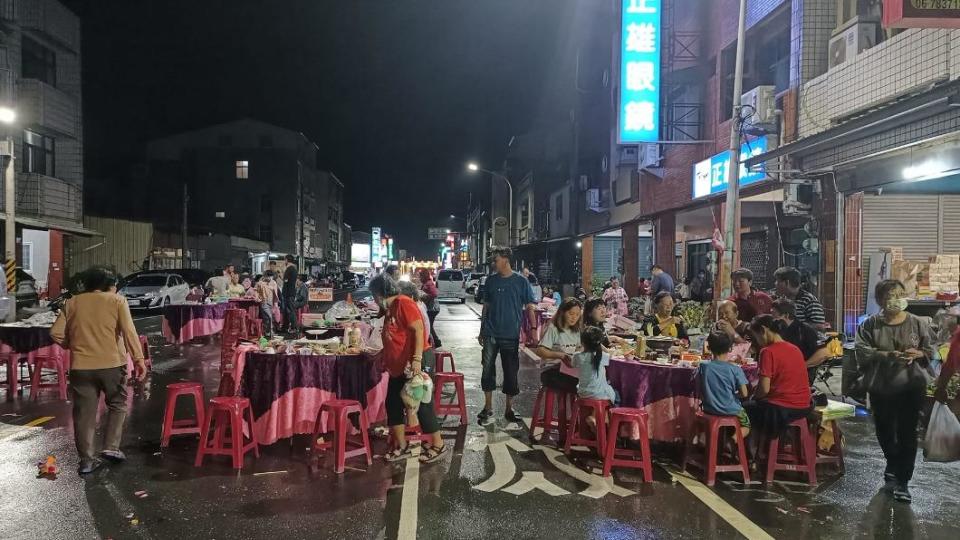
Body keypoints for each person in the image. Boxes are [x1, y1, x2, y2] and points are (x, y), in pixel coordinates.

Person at [49, 267, 147, 474]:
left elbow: (55, 333)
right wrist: (139, 360)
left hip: (81, 367)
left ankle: (86, 461)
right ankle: (111, 447)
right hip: (112, 364)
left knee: (84, 414)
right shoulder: (117, 301)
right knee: (117, 404)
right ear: (108, 285)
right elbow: (129, 332)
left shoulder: (72, 302)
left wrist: (72, 344)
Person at [856, 279, 934, 503]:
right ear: (880, 300)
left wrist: (919, 354)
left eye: (900, 293)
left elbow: (931, 349)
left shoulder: (917, 323)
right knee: (885, 430)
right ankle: (893, 461)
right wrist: (887, 355)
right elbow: (862, 351)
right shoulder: (870, 325)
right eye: (891, 295)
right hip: (882, 387)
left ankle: (903, 481)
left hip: (912, 386)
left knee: (908, 433)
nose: (897, 299)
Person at [371, 274, 446, 463]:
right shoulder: (389, 309)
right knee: (393, 402)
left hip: (416, 360)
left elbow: (418, 329)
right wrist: (383, 357)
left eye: (374, 295)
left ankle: (438, 444)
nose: (374, 299)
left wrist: (417, 359)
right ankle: (402, 445)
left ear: (380, 293)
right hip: (398, 366)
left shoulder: (403, 302)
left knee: (422, 403)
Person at [477, 247, 537, 424]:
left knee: (511, 371)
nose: (493, 263)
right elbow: (486, 306)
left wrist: (533, 330)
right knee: (487, 369)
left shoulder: (521, 281)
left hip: (511, 334)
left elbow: (530, 307)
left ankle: (509, 408)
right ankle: (487, 407)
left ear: (506, 260)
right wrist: (481, 330)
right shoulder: (491, 281)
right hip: (491, 333)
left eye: (495, 259)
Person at [562, 326, 640, 441]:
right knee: (615, 395)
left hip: (582, 392)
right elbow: (612, 356)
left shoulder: (578, 356)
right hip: (597, 393)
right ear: (599, 343)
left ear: (582, 342)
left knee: (601, 393)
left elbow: (572, 363)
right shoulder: (602, 356)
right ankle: (609, 427)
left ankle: (596, 420)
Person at [744, 315, 812, 441]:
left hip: (782, 409)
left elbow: (764, 389)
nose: (757, 341)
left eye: (757, 336)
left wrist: (753, 396)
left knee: (743, 409)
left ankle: (751, 454)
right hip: (804, 406)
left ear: (763, 330)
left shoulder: (767, 352)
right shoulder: (795, 349)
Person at [697, 332, 750, 439]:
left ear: (708, 347)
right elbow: (744, 393)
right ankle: (733, 440)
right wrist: (733, 395)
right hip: (732, 409)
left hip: (709, 409)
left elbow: (699, 388)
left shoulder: (703, 367)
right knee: (746, 426)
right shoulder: (735, 369)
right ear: (730, 348)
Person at [771, 298, 831, 384]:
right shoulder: (775, 330)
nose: (772, 318)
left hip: (800, 375)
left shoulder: (805, 330)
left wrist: (802, 365)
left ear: (786, 315)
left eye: (774, 314)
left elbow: (823, 352)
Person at [535, 298, 583, 394]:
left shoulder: (576, 331)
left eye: (577, 315)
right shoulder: (554, 329)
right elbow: (540, 351)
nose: (574, 317)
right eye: (571, 314)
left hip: (569, 370)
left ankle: (573, 408)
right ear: (563, 312)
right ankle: (566, 409)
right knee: (576, 385)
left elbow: (578, 348)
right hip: (551, 371)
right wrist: (561, 355)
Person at [418, 269, 442, 348]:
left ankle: (435, 341)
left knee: (429, 325)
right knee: (429, 325)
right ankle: (433, 341)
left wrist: (426, 297)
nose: (419, 278)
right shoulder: (426, 283)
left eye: (420, 276)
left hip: (432, 308)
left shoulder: (428, 283)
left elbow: (434, 294)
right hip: (431, 308)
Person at [255, 271, 277, 337]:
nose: (270, 277)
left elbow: (276, 293)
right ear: (265, 276)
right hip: (264, 302)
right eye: (268, 276)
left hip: (271, 302)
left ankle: (266, 332)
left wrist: (276, 303)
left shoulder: (273, 282)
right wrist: (257, 297)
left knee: (267, 318)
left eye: (271, 276)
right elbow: (255, 290)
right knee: (269, 317)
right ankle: (271, 332)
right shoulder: (260, 283)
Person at [281, 255, 299, 333]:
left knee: (290, 310)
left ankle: (294, 327)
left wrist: (282, 273)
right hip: (291, 292)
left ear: (287, 260)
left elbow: (285, 280)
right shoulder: (294, 269)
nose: (284, 262)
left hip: (288, 292)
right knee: (288, 310)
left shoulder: (289, 269)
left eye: (285, 260)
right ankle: (286, 327)